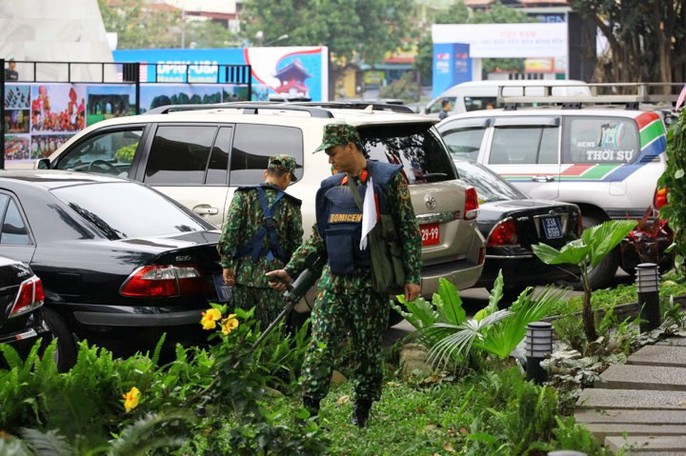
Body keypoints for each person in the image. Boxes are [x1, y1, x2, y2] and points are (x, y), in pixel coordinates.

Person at [267, 124, 422, 428]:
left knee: (366, 351)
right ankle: (308, 413)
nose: (329, 159)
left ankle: (361, 411)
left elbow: (408, 230)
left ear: (351, 146)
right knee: (320, 346)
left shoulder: (389, 179)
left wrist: (413, 275)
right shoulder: (329, 188)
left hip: (370, 282)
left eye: (332, 152)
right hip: (334, 282)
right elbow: (317, 238)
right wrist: (290, 270)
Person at [217, 154, 303, 329]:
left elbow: (229, 234)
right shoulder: (290, 205)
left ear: (266, 173)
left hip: (242, 277)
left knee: (240, 332)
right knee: (272, 334)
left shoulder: (242, 196)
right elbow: (296, 245)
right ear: (287, 176)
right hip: (274, 278)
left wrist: (226, 265)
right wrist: (290, 273)